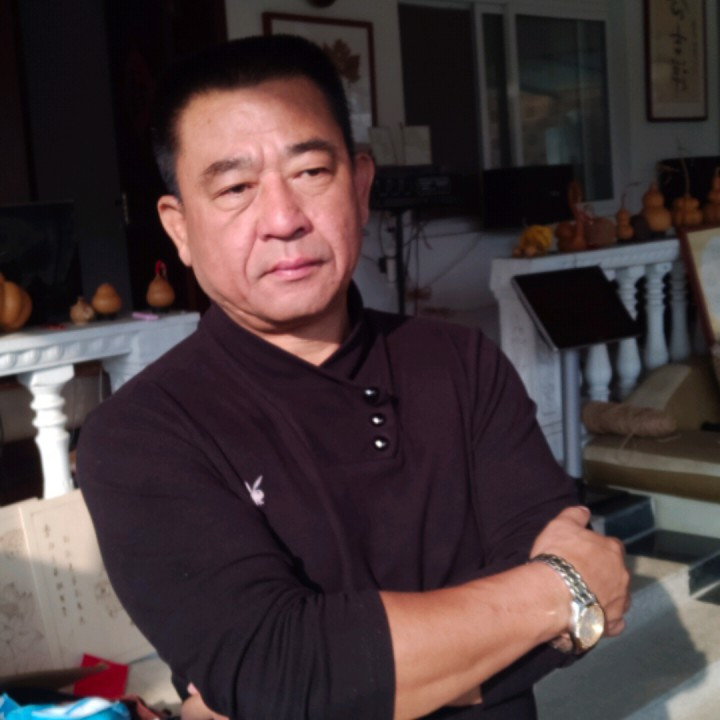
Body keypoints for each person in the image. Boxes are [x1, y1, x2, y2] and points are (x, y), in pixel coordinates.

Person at [78, 34, 629, 720]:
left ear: (361, 187)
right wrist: (559, 596)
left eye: (311, 172)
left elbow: (290, 689)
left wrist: (321, 683)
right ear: (180, 228)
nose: (283, 220)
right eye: (236, 188)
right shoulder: (138, 435)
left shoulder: (462, 362)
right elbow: (278, 672)